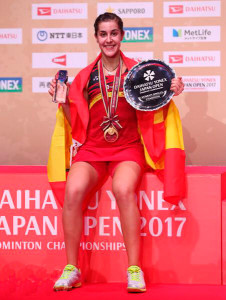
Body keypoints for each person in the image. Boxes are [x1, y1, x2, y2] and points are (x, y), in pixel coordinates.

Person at [48, 12, 185, 293]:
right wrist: (59, 97)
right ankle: (72, 268)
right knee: (72, 191)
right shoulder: (87, 76)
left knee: (123, 189)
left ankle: (134, 270)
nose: (108, 39)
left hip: (127, 148)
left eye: (113, 33)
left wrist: (172, 90)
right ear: (96, 37)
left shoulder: (139, 72)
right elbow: (75, 117)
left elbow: (155, 107)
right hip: (92, 148)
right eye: (103, 34)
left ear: (122, 35)